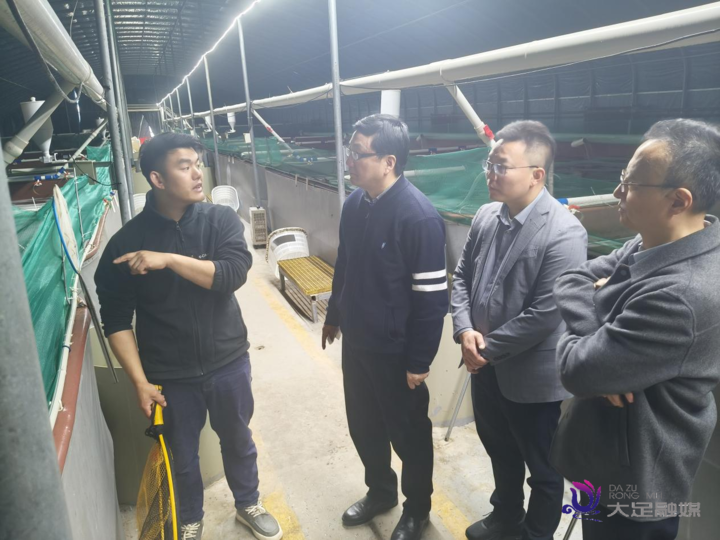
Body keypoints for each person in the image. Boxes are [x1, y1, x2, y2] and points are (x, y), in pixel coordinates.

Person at [95, 132, 282, 540]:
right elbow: (116, 319)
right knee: (180, 455)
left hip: (228, 360)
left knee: (238, 440)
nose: (198, 173)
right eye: (185, 166)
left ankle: (248, 503)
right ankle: (190, 518)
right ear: (157, 179)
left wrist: (168, 259)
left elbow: (231, 275)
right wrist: (140, 382)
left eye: (198, 164)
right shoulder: (126, 243)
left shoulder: (220, 221)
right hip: (170, 373)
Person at [551, 119, 720, 540]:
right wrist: (603, 342)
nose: (617, 192)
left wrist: (595, 352)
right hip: (607, 457)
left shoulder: (683, 295)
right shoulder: (657, 241)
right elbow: (571, 279)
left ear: (678, 200)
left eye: (630, 184)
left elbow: (577, 370)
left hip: (635, 482)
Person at [450, 120, 587, 540]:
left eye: (501, 166)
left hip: (531, 377)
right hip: (483, 365)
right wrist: (464, 330)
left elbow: (546, 313)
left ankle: (536, 533)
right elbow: (462, 277)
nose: (490, 174)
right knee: (498, 447)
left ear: (536, 175)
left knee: (542, 467)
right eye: (489, 165)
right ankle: (505, 515)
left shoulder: (564, 232)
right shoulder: (486, 216)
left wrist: (484, 348)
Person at [322, 114, 448, 540]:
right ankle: (381, 491)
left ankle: (417, 509)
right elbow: (345, 264)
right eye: (350, 151)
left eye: (358, 153)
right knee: (364, 425)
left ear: (388, 162)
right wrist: (335, 315)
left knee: (409, 435)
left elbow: (432, 300)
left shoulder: (418, 217)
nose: (350, 161)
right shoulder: (355, 205)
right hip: (358, 344)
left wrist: (419, 361)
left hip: (396, 353)